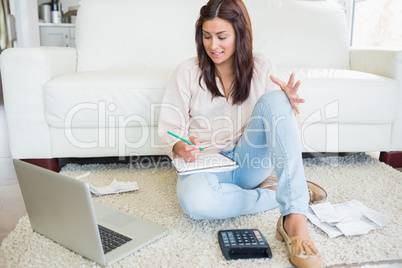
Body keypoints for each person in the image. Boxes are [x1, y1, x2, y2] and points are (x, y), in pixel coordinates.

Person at [158, 0, 326, 267]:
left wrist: (287, 107)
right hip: (206, 164)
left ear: (240, 34)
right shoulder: (187, 72)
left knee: (276, 101)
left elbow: (283, 132)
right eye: (207, 36)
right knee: (195, 202)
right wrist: (181, 147)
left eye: (222, 36)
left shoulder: (261, 66)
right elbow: (170, 129)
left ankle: (295, 218)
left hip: (250, 161)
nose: (213, 45)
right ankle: (289, 192)